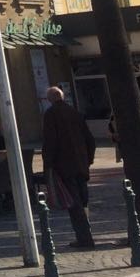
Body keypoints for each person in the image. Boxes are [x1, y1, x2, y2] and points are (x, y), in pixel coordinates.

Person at [42, 85, 96, 250]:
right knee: (82, 201)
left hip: (64, 166)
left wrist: (48, 166)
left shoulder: (51, 115)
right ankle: (86, 236)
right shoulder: (75, 113)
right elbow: (90, 140)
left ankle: (85, 239)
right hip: (80, 165)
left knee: (74, 204)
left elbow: (50, 142)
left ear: (50, 99)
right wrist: (88, 160)